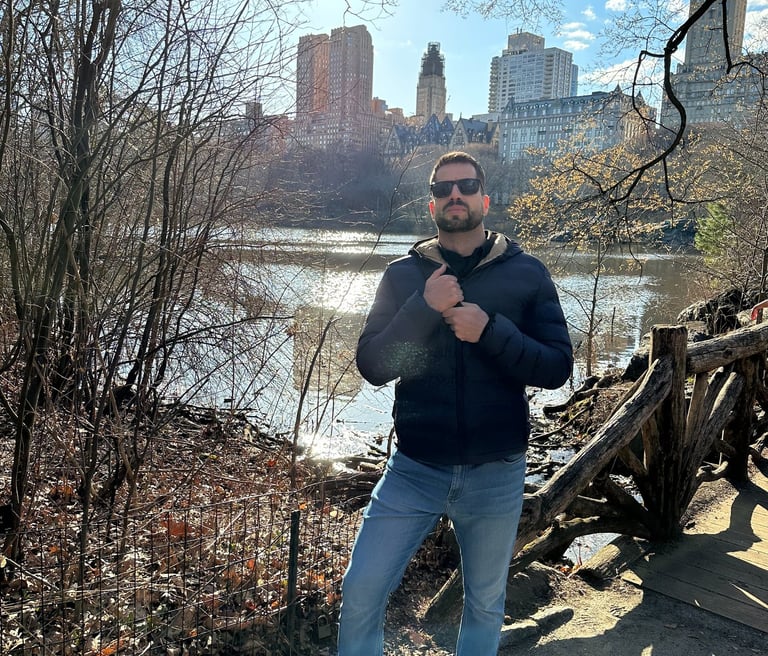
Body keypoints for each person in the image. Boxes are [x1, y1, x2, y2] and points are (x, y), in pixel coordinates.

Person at [337, 151, 573, 655]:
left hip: (497, 472)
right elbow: (375, 366)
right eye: (443, 189)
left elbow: (556, 369)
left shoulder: (527, 272)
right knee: (360, 591)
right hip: (415, 468)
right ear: (432, 206)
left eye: (466, 186)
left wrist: (490, 331)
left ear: (485, 199)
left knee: (485, 604)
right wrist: (424, 306)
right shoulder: (402, 275)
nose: (455, 195)